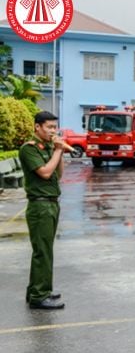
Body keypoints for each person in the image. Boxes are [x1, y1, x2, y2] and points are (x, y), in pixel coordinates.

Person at [20, 111, 66, 310]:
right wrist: (56, 151)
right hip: (40, 206)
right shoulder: (29, 149)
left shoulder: (48, 147)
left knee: (44, 250)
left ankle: (37, 290)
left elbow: (59, 173)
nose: (53, 131)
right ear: (37, 127)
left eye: (55, 127)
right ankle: (40, 295)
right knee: (43, 252)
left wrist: (60, 152)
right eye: (49, 127)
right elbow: (45, 173)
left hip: (51, 203)